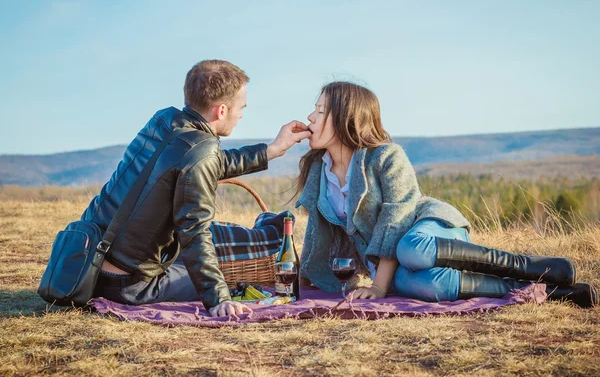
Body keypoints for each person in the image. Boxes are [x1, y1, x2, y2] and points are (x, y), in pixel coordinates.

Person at [295, 81, 597, 308]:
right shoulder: (319, 172)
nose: (310, 117)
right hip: (394, 261)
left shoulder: (386, 156)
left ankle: (533, 266)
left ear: (347, 118)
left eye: (320, 111)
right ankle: (553, 292)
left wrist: (378, 287)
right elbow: (317, 236)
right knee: (429, 286)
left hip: (426, 230)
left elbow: (396, 220)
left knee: (412, 248)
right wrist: (300, 283)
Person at [86, 59, 311, 317]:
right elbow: (194, 231)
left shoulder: (164, 122)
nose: (242, 114)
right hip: (131, 285)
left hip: (93, 265)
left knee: (200, 263)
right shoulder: (201, 150)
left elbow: (206, 164)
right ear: (222, 111)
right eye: (241, 107)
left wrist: (271, 151)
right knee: (229, 277)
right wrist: (218, 299)